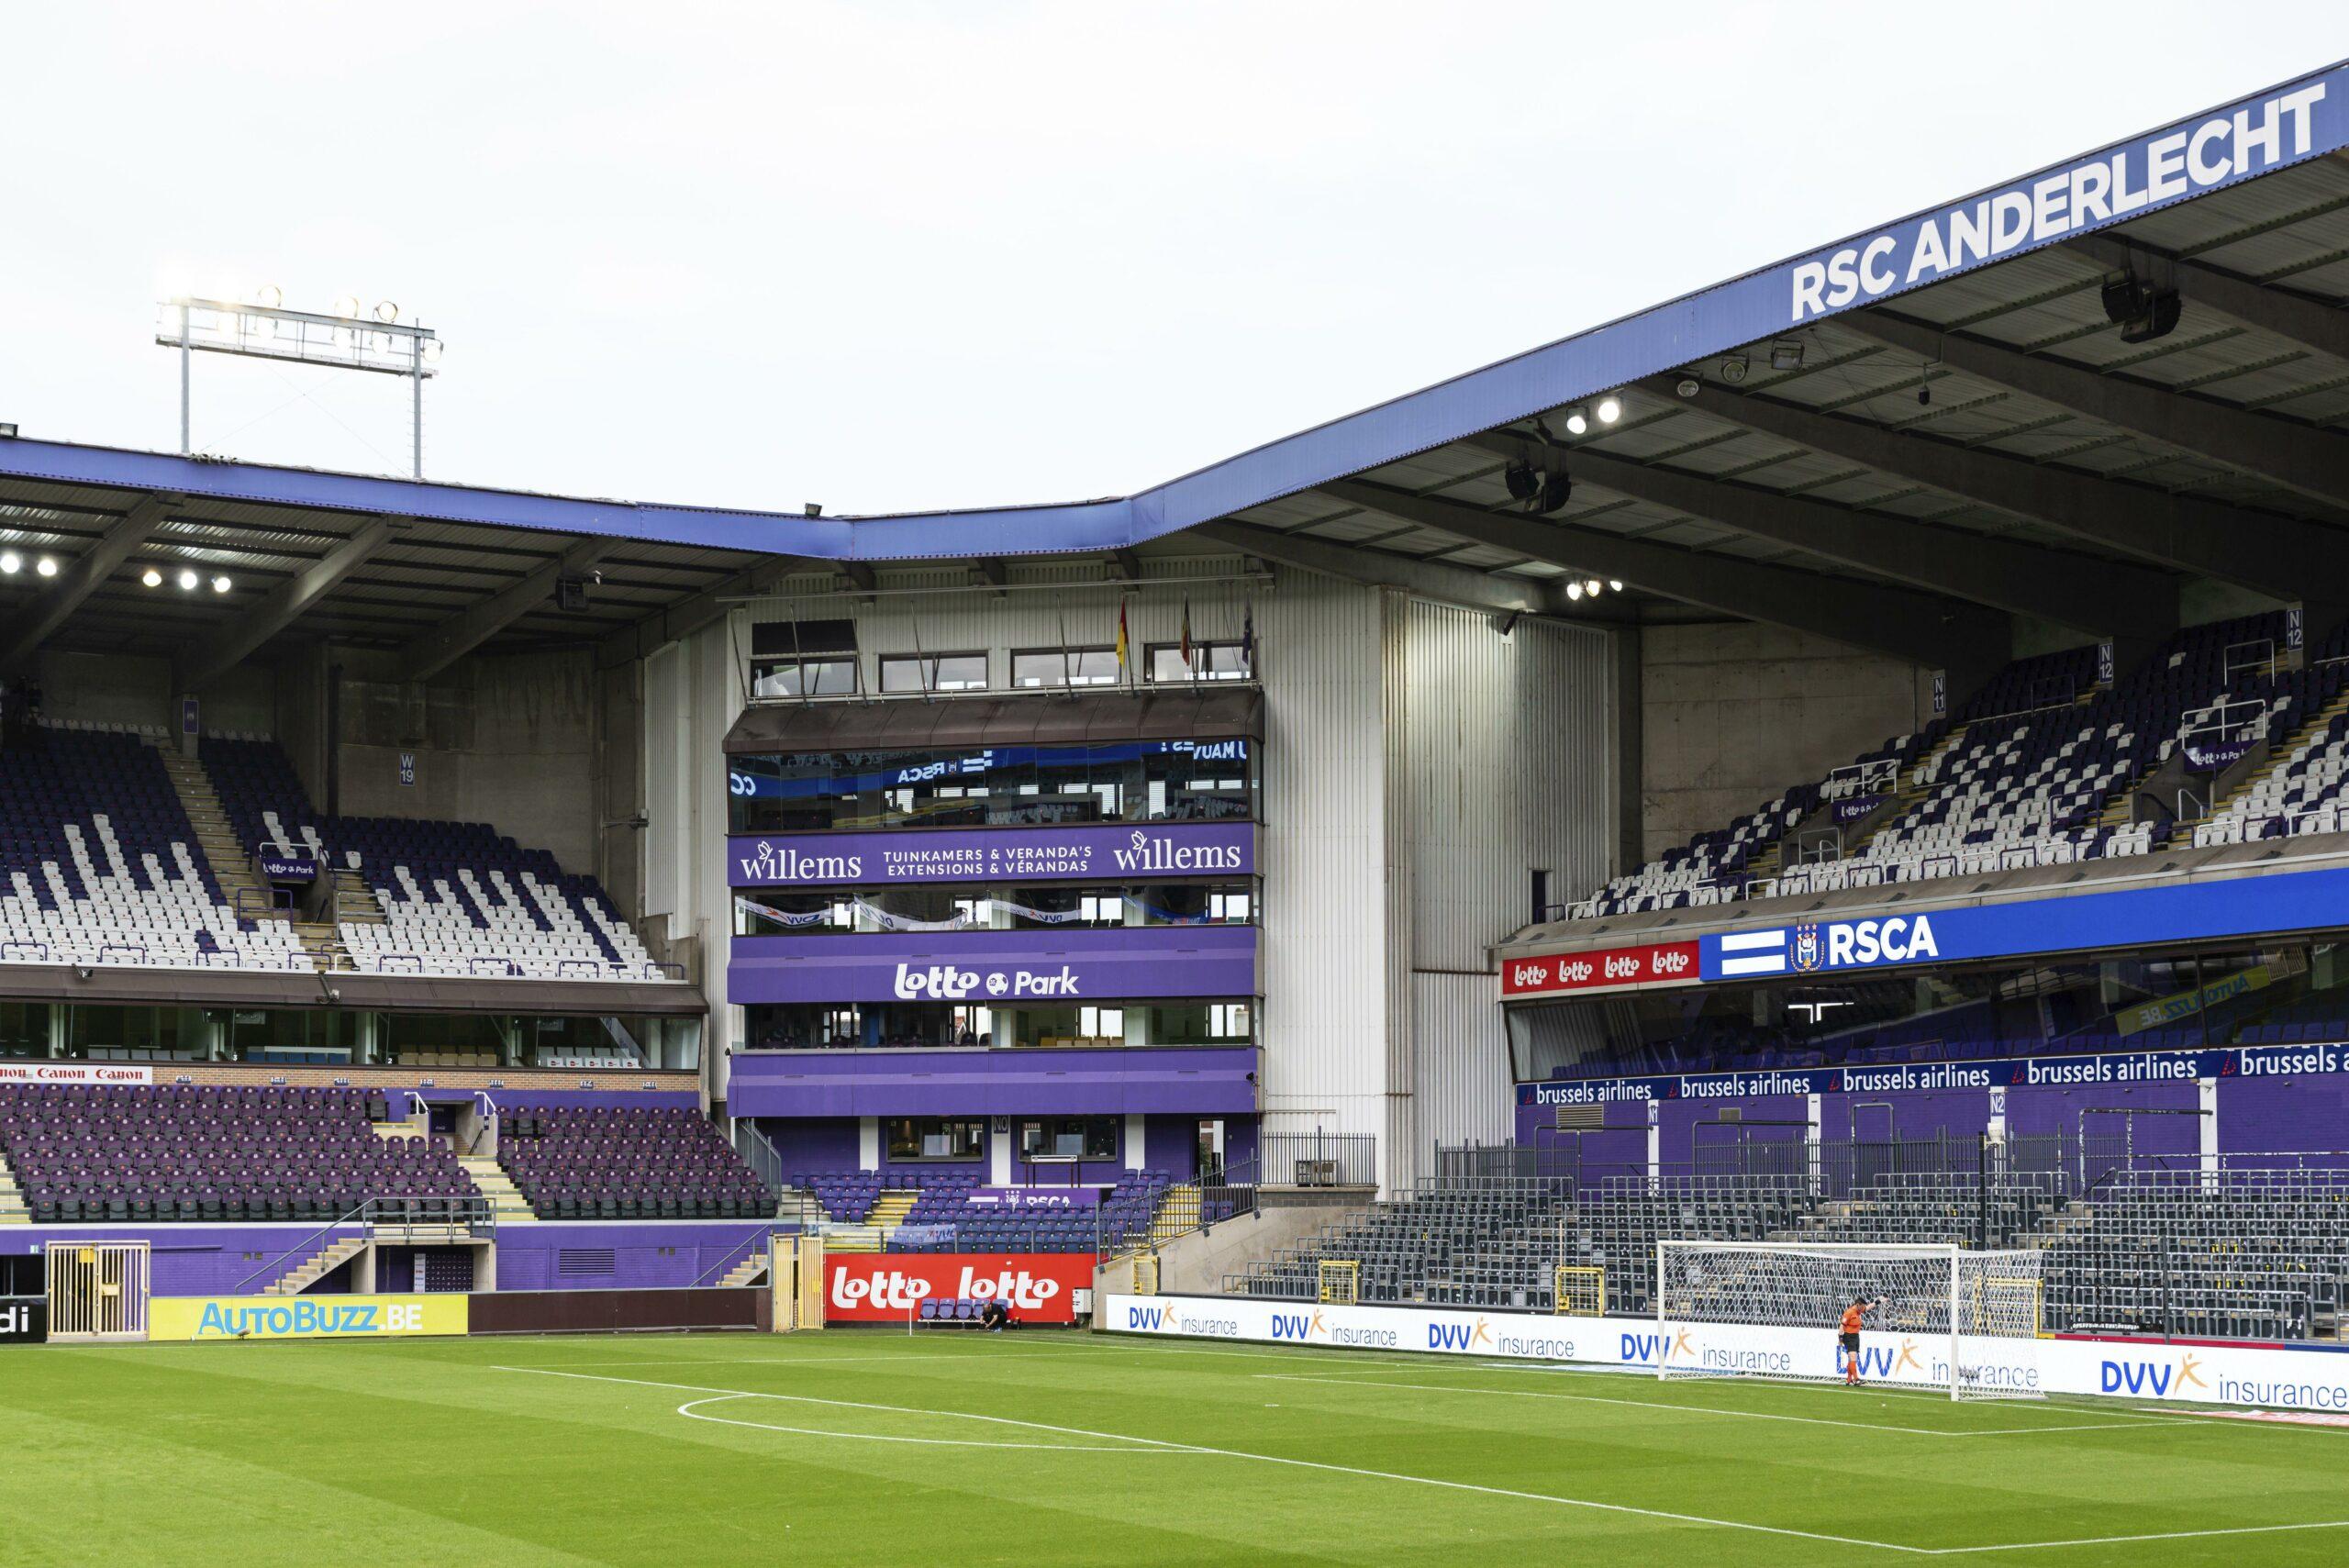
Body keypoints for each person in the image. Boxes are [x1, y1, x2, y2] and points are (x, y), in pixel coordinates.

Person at [1840, 1296, 1881, 1386]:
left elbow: (1868, 1307)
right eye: (1862, 1307)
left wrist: (1877, 1302)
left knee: (1852, 1359)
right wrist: (1840, 1337)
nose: (1863, 1309)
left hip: (1856, 1337)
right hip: (1848, 1337)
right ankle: (1856, 1379)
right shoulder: (1849, 1312)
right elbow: (1842, 1325)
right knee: (1853, 1357)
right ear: (1858, 1305)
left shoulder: (1859, 1310)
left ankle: (1849, 1380)